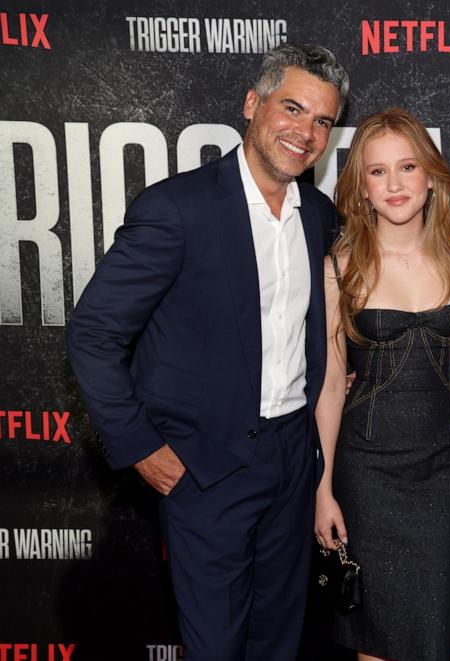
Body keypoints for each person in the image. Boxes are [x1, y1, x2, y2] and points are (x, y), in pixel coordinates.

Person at [66, 43, 348, 661]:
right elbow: (93, 333)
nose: (305, 132)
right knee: (215, 648)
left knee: (277, 644)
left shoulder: (320, 217)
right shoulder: (178, 208)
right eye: (292, 108)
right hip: (207, 469)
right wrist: (140, 446)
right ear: (253, 104)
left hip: (292, 463)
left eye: (322, 120)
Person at [314, 108, 450, 661]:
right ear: (360, 188)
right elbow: (327, 387)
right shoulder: (340, 267)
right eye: (377, 172)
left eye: (407, 166)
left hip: (442, 471)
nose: (394, 184)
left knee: (431, 639)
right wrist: (322, 489)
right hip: (367, 474)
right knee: (376, 643)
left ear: (431, 177)